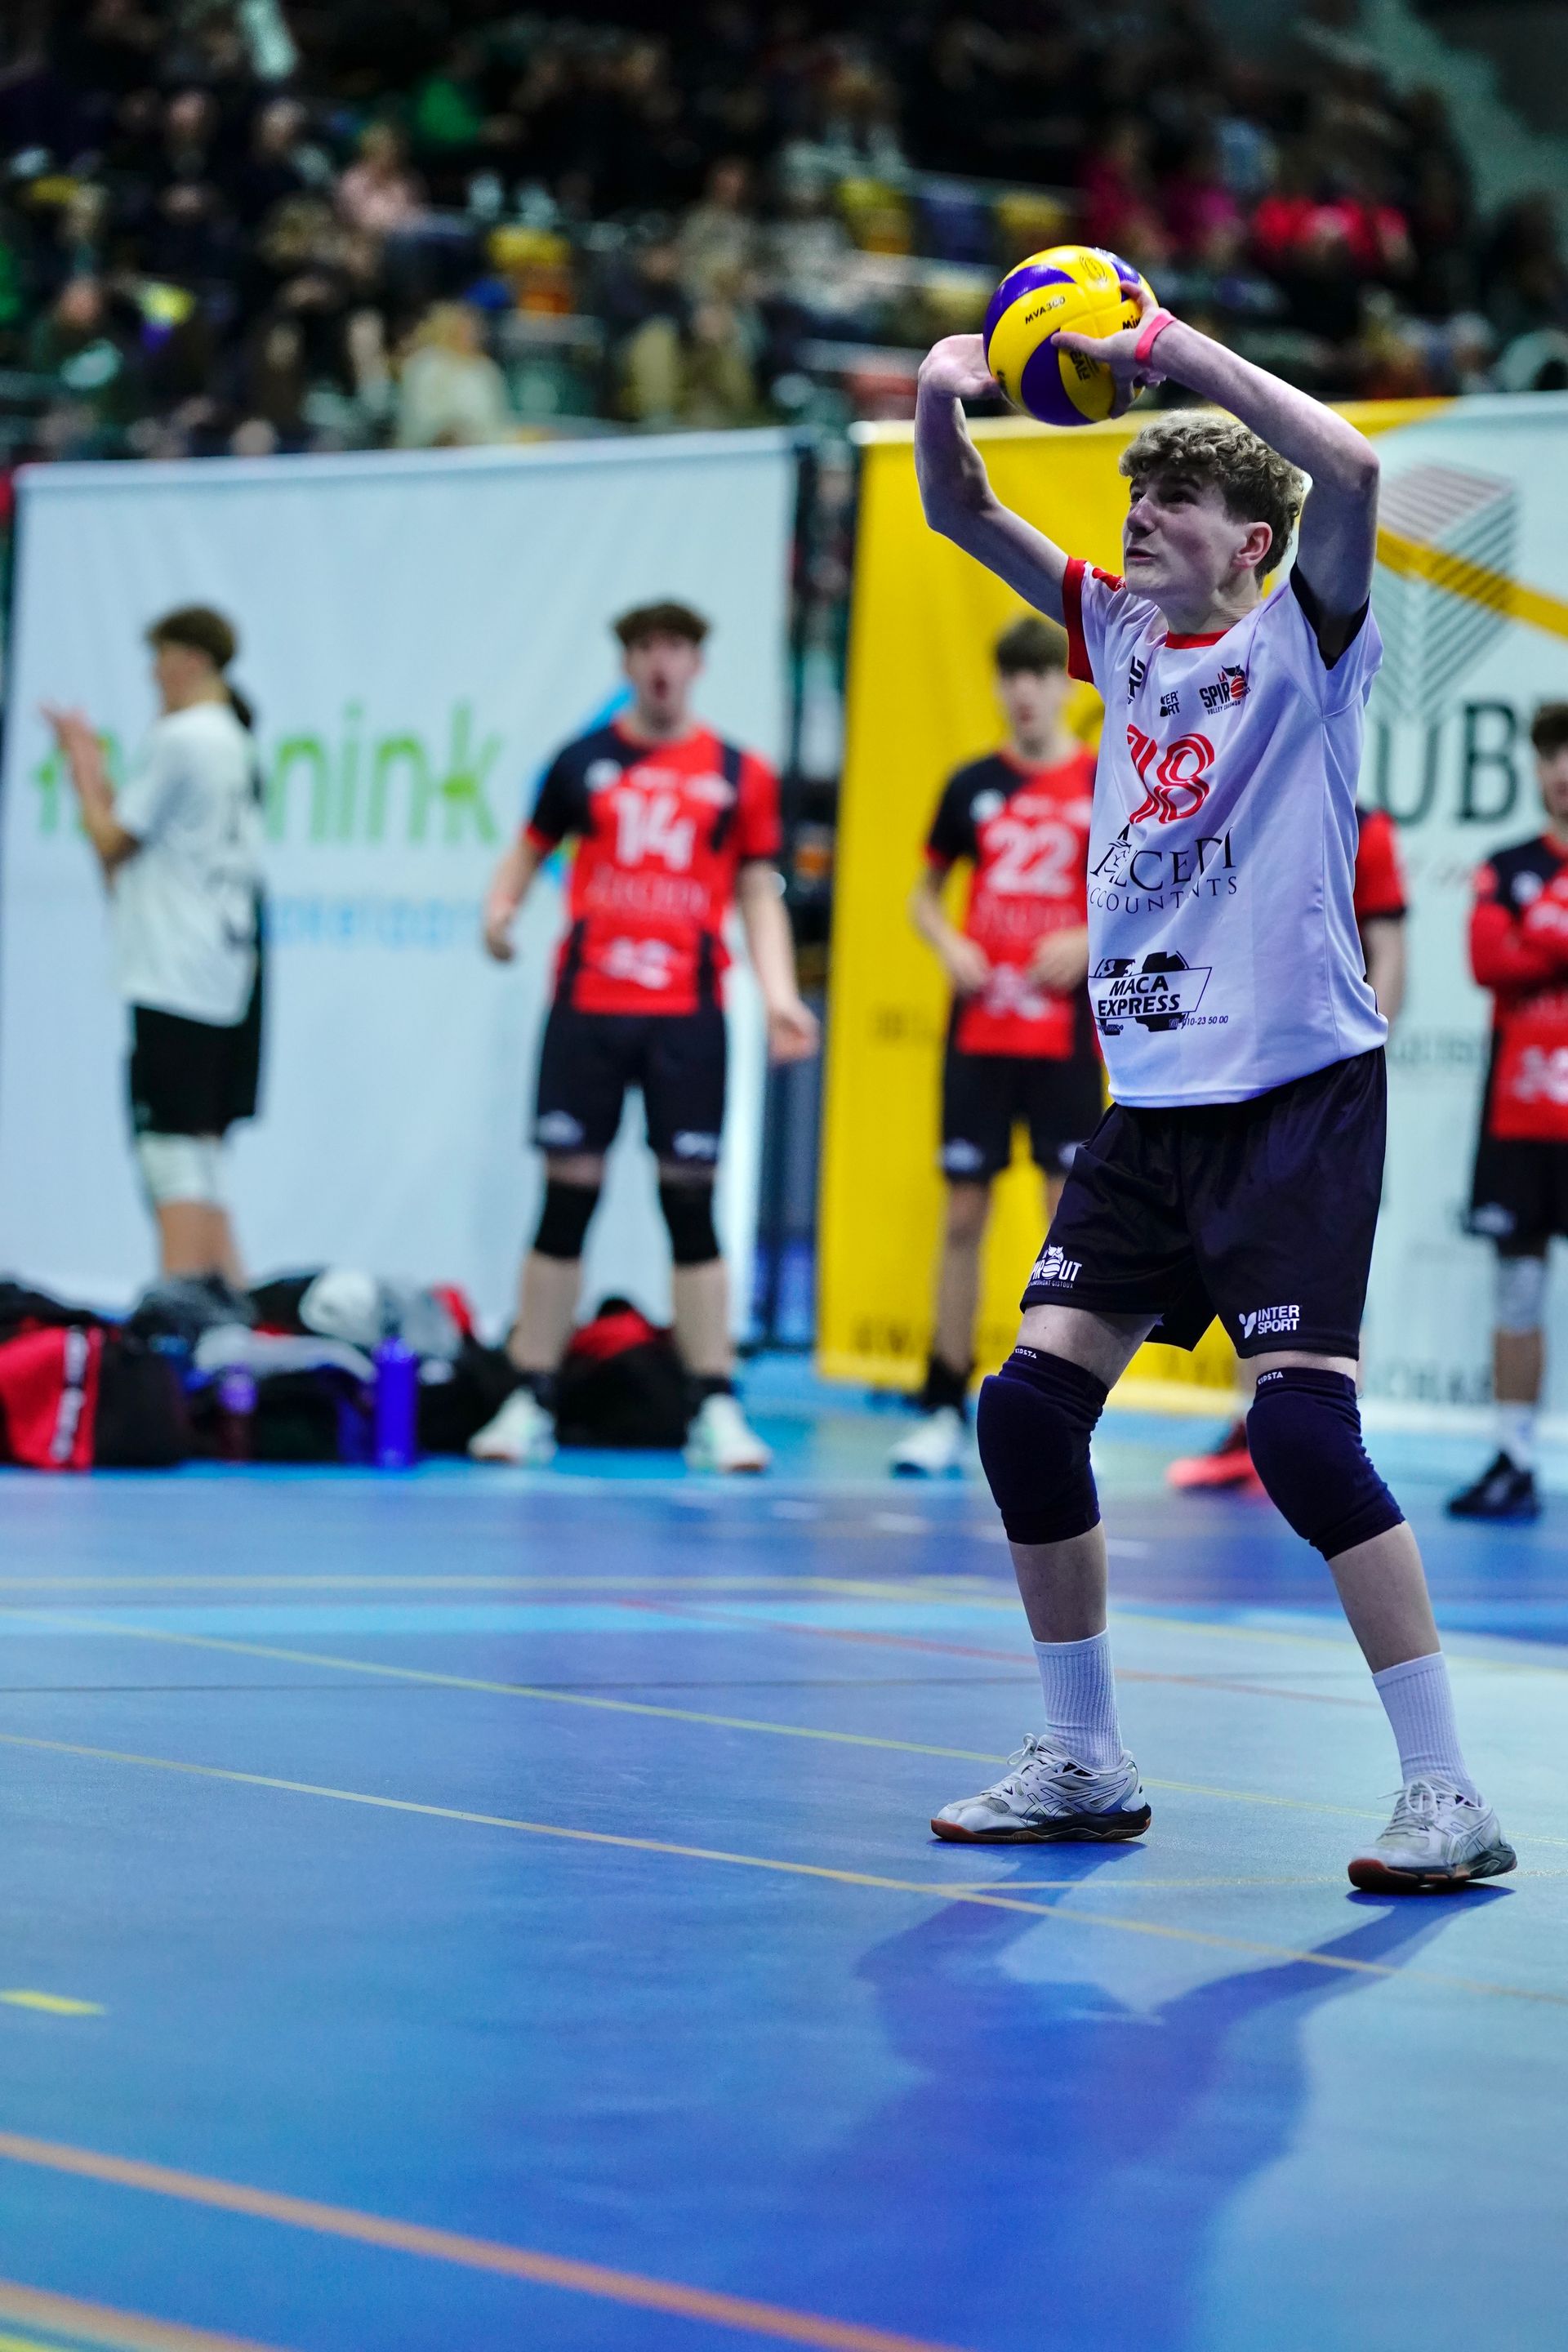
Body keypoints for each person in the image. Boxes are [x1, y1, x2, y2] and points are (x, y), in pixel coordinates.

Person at [911, 287, 1512, 1892]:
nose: (1140, 517)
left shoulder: (1302, 639)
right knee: (1027, 1412)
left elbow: (1354, 473)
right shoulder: (1118, 634)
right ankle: (1085, 1760)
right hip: (1153, 1103)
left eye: (1173, 496)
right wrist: (941, 389)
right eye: (1134, 494)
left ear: (1251, 541)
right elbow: (958, 507)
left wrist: (1169, 347)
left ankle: (1448, 1793)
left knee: (1302, 1442)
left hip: (1296, 1098)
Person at [475, 600, 818, 1473]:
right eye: (646, 649)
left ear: (697, 663)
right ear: (627, 663)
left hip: (686, 1015)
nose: (661, 663)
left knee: (690, 1205)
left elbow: (756, 893)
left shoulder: (738, 773)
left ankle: (714, 1403)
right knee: (566, 1200)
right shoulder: (581, 762)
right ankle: (530, 1396)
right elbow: (528, 848)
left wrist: (780, 996)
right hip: (589, 1007)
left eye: (675, 648)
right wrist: (501, 909)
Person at [889, 615, 1099, 1476]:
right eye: (1011, 676)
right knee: (964, 1212)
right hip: (980, 1028)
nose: (1025, 692)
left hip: (1065, 1031)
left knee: (1066, 1220)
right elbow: (922, 896)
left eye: (1040, 675)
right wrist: (950, 945)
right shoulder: (970, 784)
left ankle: (1062, 1405)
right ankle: (942, 1398)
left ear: (1065, 685)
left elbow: (1148, 892)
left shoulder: (1105, 780)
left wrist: (1089, 939)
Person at [1168, 800, 1409, 1489]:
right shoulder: (1238, 808)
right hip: (1244, 1071)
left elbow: (1390, 957)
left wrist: (1351, 1061)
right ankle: (1253, 1428)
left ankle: (1332, 1437)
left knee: (1329, 1263)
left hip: (1330, 1082)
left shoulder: (1366, 826)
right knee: (1245, 1252)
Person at [42, 605, 264, 1284]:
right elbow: (140, 845)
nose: (152, 675)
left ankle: (183, 1307)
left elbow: (113, 842)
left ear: (190, 660)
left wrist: (83, 767)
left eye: (159, 658)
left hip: (176, 967)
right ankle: (228, 1298)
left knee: (169, 1147)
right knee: (199, 1147)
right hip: (221, 967)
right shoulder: (235, 738)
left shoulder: (184, 738)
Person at [1446, 702, 1568, 1522]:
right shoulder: (1507, 863)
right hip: (1519, 1115)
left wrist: (1539, 936)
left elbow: (1517, 950)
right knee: (1517, 1291)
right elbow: (1488, 959)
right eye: (1550, 755)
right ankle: (1515, 1458)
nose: (1563, 771)